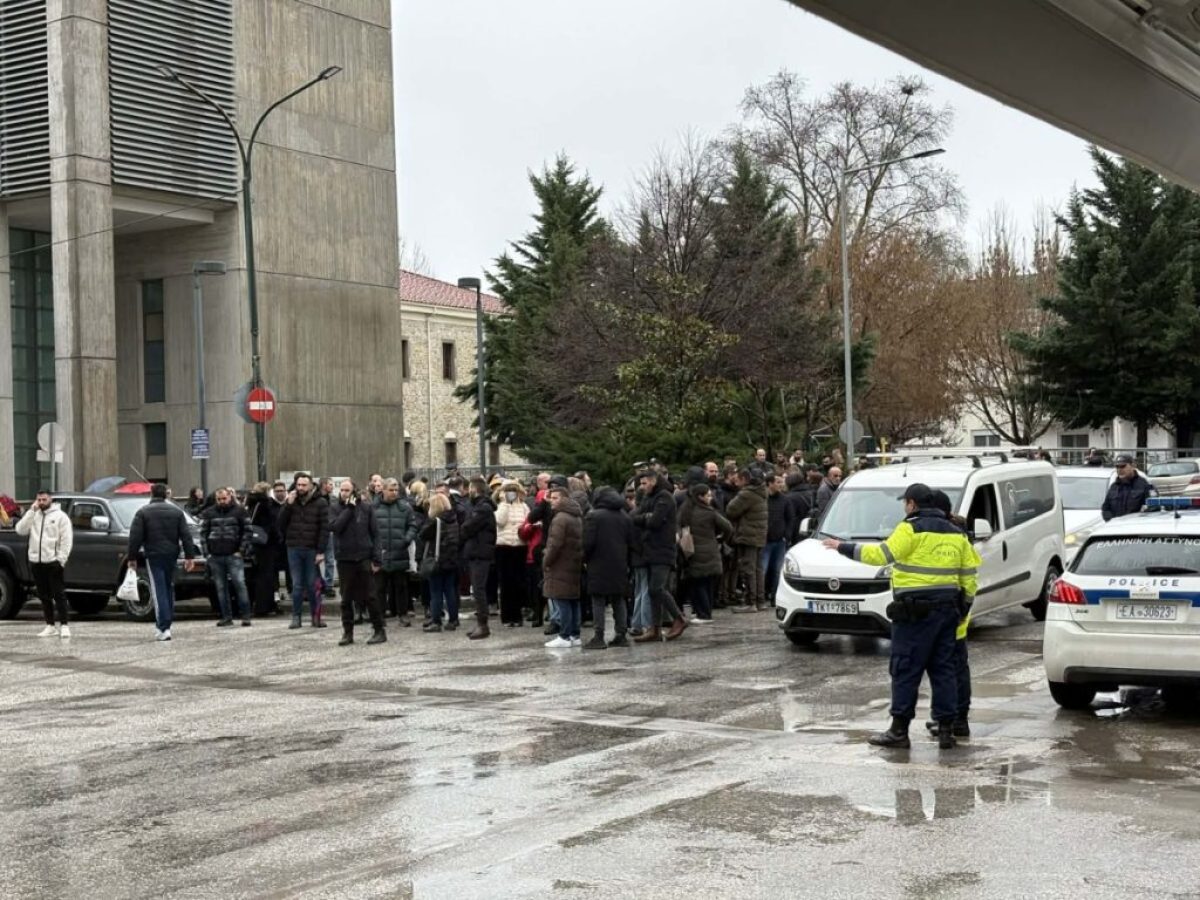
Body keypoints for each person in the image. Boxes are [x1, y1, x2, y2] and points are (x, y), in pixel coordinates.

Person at [822, 483, 980, 750]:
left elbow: (880, 555)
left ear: (912, 504)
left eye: (905, 503)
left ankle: (899, 731)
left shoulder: (910, 528)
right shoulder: (956, 533)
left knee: (905, 669)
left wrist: (842, 547)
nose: (904, 508)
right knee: (943, 670)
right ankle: (946, 730)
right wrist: (962, 608)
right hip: (947, 611)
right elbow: (969, 575)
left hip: (914, 613)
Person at [923, 489, 973, 738]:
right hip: (957, 609)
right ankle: (956, 719)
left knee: (947, 670)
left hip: (948, 612)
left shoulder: (948, 532)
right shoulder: (958, 529)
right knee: (956, 668)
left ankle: (952, 719)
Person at [127, 483, 199, 641]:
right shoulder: (177, 512)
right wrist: (190, 556)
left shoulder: (143, 512)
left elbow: (135, 537)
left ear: (151, 494)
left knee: (158, 590)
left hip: (154, 555)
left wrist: (132, 557)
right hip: (172, 554)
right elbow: (186, 536)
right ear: (166, 494)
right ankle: (167, 623)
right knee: (168, 588)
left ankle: (163, 627)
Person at [631, 469, 686, 642]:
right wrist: (645, 517)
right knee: (653, 591)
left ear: (654, 481)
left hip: (663, 549)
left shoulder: (664, 497)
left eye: (644, 483)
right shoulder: (648, 498)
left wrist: (645, 518)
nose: (642, 486)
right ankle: (655, 628)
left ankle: (679, 618)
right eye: (641, 483)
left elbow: (655, 521)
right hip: (650, 549)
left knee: (657, 588)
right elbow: (634, 516)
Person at [332, 479, 385, 645]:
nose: (343, 493)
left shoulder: (366, 508)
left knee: (371, 596)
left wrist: (377, 558)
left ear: (354, 491)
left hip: (363, 557)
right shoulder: (335, 507)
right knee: (346, 598)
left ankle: (379, 630)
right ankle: (347, 633)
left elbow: (375, 534)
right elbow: (336, 527)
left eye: (347, 490)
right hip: (344, 558)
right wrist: (349, 508)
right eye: (342, 490)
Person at [15, 489, 73, 638]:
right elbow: (20, 530)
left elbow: (66, 539)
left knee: (59, 594)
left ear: (50, 500)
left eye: (44, 499)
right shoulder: (34, 515)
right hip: (36, 561)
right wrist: (31, 511)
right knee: (44, 595)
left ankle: (64, 625)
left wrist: (61, 560)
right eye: (39, 500)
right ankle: (50, 625)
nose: (41, 502)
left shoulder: (60, 517)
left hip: (53, 561)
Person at [277, 472, 331, 630]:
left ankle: (316, 617)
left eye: (304, 485)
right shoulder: (291, 501)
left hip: (312, 549)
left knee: (313, 585)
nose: (300, 488)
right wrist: (287, 505)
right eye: (298, 485)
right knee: (297, 585)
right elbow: (280, 524)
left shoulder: (320, 502)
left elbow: (324, 528)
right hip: (294, 547)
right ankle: (296, 617)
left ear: (311, 485)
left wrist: (321, 551)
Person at [582, 485, 634, 648]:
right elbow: (631, 542)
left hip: (598, 563)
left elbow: (588, 543)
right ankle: (621, 635)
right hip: (620, 563)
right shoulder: (625, 516)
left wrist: (584, 559)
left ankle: (599, 636)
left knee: (598, 599)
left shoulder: (594, 516)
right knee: (619, 599)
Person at [679, 483, 732, 623]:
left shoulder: (685, 510)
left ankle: (702, 613)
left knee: (698, 584)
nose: (711, 498)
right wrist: (721, 539)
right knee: (707, 584)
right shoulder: (710, 512)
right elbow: (728, 527)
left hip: (692, 552)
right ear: (700, 497)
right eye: (708, 495)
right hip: (711, 551)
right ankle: (706, 613)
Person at [200, 487, 253, 627]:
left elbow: (248, 532)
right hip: (215, 556)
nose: (222, 501)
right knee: (221, 588)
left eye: (224, 498)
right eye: (219, 499)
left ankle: (246, 616)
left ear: (230, 497)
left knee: (239, 585)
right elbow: (203, 534)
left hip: (234, 555)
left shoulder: (240, 511)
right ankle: (226, 617)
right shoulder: (209, 513)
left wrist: (241, 551)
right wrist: (207, 553)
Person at [543, 483, 584, 648]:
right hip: (573, 563)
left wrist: (546, 561)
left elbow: (555, 544)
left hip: (560, 564)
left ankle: (564, 635)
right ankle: (574, 634)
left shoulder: (560, 518)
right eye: (551, 498)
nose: (551, 501)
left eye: (555, 498)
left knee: (562, 600)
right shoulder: (576, 516)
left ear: (564, 499)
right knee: (572, 600)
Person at [374, 477, 417, 626]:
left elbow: (413, 526)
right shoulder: (373, 507)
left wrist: (406, 539)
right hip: (381, 554)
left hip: (400, 553)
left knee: (401, 587)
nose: (394, 493)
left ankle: (403, 614)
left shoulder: (405, 507)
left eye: (396, 490)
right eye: (391, 490)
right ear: (383, 490)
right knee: (379, 588)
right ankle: (379, 616)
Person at [726, 468, 768, 613]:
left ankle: (751, 602)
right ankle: (760, 601)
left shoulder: (746, 494)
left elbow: (731, 510)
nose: (736, 483)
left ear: (744, 479)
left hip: (747, 535)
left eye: (738, 480)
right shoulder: (761, 492)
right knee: (758, 569)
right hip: (759, 535)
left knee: (748, 569)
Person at [461, 476, 498, 640]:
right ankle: (480, 623)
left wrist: (464, 528)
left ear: (474, 489)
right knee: (477, 589)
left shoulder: (483, 508)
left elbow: (468, 527)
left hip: (480, 553)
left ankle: (483, 625)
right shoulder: (478, 506)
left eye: (470, 488)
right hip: (476, 552)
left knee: (479, 589)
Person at [420, 493, 460, 632]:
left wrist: (428, 519)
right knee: (450, 591)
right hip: (451, 560)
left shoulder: (435, 522)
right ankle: (453, 620)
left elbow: (422, 535)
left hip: (438, 561)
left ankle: (436, 621)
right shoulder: (453, 520)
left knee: (436, 592)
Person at [494, 479, 529, 627]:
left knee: (518, 582)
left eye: (514, 491)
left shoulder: (524, 506)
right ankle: (507, 616)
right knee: (506, 583)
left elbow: (527, 522)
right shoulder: (501, 506)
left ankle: (517, 615)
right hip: (504, 547)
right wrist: (505, 504)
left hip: (520, 547)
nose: (511, 494)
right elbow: (500, 521)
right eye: (508, 491)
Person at [762, 473, 795, 606]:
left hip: (780, 541)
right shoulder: (763, 499)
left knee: (777, 570)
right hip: (765, 540)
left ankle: (774, 597)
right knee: (763, 570)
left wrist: (787, 535)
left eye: (781, 482)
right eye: (778, 482)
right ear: (769, 484)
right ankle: (761, 596)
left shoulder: (785, 500)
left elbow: (790, 518)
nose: (781, 485)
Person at [1101, 454, 1155, 520]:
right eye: (1117, 467)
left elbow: (1153, 508)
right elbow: (1105, 509)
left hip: (1135, 524)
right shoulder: (1114, 487)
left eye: (1123, 466)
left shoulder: (1144, 485)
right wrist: (1111, 521)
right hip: (1116, 525)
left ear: (1133, 466)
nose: (1119, 469)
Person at [318, 476, 339, 599]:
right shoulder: (316, 498)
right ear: (324, 485)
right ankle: (319, 583)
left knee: (330, 559)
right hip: (318, 531)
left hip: (329, 530)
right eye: (330, 484)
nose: (332, 486)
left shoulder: (333, 499)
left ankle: (329, 585)